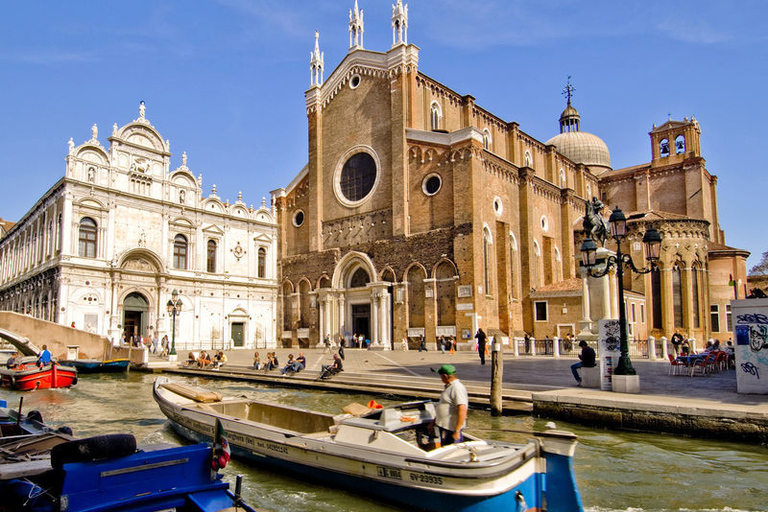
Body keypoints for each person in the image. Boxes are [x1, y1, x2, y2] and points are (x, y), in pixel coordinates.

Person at [431, 364, 468, 447]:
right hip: (445, 427)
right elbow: (445, 406)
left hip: (451, 429)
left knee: (453, 451)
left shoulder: (456, 388)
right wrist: (434, 421)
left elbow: (462, 409)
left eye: (441, 376)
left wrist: (457, 431)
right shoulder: (449, 387)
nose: (440, 378)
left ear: (445, 376)